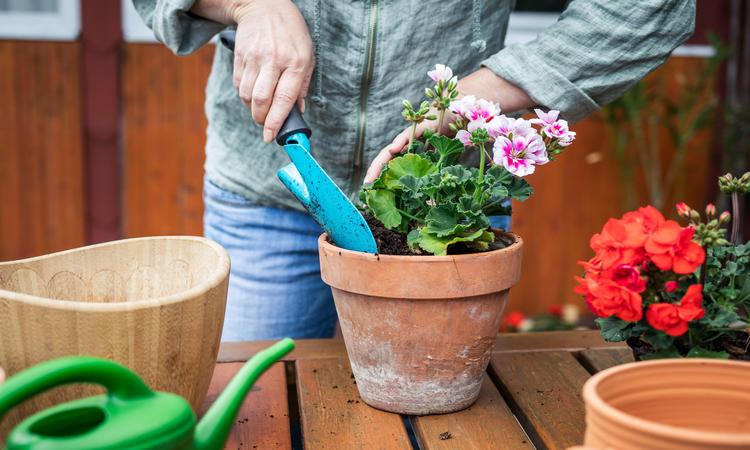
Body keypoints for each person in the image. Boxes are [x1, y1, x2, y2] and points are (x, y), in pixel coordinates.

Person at [133, 0, 695, 341]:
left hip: (444, 205)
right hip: (267, 199)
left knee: (433, 411)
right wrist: (248, 6)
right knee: (257, 408)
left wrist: (492, 89)